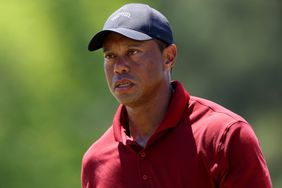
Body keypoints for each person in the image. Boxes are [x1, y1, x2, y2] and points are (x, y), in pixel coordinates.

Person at [81, 3, 272, 188]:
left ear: (168, 57)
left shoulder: (224, 136)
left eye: (133, 52)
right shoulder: (96, 161)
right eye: (110, 56)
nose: (119, 66)